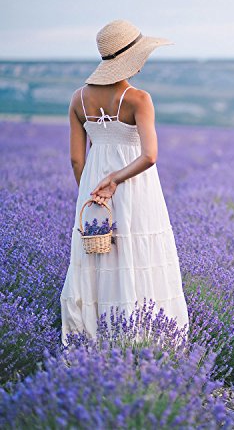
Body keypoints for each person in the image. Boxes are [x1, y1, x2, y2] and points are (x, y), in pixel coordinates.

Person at [60, 19, 189, 346]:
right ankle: (143, 339)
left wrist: (92, 195)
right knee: (137, 254)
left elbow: (77, 159)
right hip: (134, 187)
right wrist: (115, 181)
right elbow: (149, 156)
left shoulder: (78, 99)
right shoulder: (139, 99)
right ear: (133, 58)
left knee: (97, 259)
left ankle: (92, 340)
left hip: (93, 188)